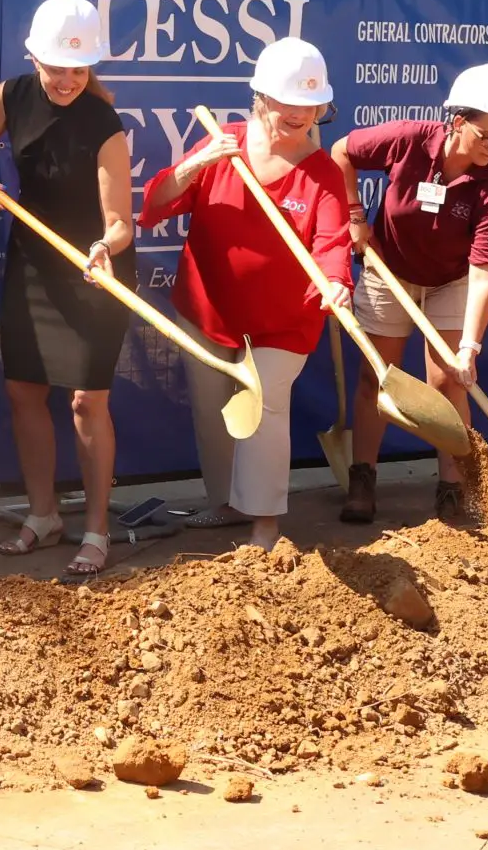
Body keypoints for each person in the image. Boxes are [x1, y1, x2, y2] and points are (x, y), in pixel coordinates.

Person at [139, 38, 351, 549]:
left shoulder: (322, 172)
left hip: (284, 322)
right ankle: (228, 505)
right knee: (215, 415)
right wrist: (193, 166)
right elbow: (155, 205)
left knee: (264, 406)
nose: (300, 114)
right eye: (288, 103)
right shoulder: (223, 144)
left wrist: (336, 281)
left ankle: (264, 523)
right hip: (208, 310)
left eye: (310, 105)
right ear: (261, 97)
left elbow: (332, 241)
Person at [0, 0, 135, 576]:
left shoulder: (104, 123)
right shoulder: (10, 95)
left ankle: (97, 529)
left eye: (78, 70)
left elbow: (121, 223)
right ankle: (43, 515)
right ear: (34, 58)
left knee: (87, 401)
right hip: (32, 259)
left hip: (94, 268)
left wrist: (104, 248)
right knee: (23, 390)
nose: (66, 81)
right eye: (57, 68)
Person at [330, 63, 488, 526]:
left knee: (447, 382)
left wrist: (469, 347)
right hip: (389, 271)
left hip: (451, 281)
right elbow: (341, 152)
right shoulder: (409, 139)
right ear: (457, 120)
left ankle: (453, 486)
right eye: (487, 136)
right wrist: (355, 215)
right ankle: (363, 478)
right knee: (378, 377)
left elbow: (483, 274)